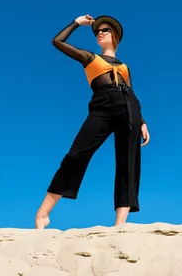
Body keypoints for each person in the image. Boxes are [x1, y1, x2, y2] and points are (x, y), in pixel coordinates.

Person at [35, 14, 150, 229]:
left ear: (114, 35)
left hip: (130, 109)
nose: (99, 33)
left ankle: (120, 224)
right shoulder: (90, 58)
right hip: (102, 106)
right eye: (97, 31)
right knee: (76, 155)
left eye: (104, 30)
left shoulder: (124, 66)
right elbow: (57, 42)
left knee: (128, 162)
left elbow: (131, 91)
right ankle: (43, 213)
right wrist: (77, 23)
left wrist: (142, 121)